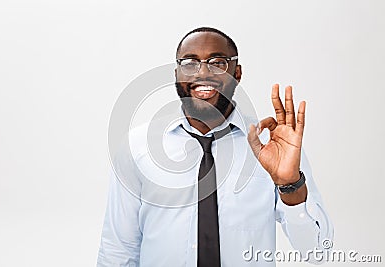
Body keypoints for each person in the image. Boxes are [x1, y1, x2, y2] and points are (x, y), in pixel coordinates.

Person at [97, 27, 334, 267]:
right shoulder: (137, 147)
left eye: (217, 62)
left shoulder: (273, 148)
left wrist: (289, 185)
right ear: (177, 73)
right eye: (190, 63)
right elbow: (118, 250)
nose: (202, 73)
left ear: (237, 73)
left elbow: (316, 251)